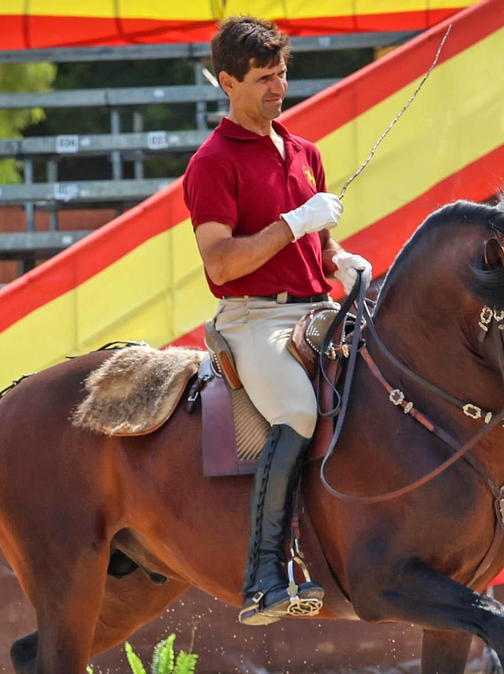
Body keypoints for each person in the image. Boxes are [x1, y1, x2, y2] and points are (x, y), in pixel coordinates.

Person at [184, 15, 372, 626]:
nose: (279, 87)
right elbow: (220, 261)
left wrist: (341, 259)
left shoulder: (305, 153)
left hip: (317, 306)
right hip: (253, 318)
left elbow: (320, 248)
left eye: (283, 73)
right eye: (264, 77)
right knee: (295, 409)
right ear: (226, 83)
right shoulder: (211, 163)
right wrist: (295, 223)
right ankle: (264, 575)